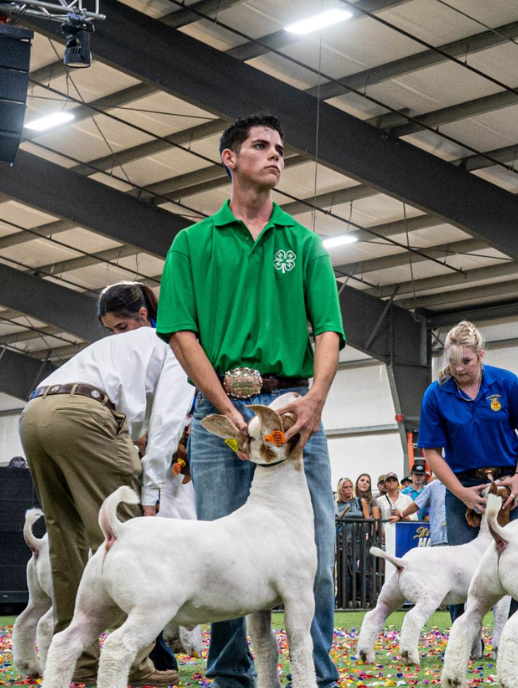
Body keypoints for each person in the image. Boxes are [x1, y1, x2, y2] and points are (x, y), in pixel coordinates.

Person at [158, 112, 344, 688]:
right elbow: (182, 334)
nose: (275, 155)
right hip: (218, 408)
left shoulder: (304, 242)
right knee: (222, 552)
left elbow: (329, 330)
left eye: (280, 148)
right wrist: (228, 411)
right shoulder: (192, 242)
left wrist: (314, 399)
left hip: (291, 408)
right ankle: (231, 677)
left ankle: (316, 676)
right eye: (260, 146)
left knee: (316, 552)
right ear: (229, 158)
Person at [20, 280, 193, 687]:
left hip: (34, 412)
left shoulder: (108, 349)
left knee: (65, 538)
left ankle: (78, 661)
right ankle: (134, 665)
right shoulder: (172, 344)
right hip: (85, 414)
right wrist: (150, 493)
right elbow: (167, 424)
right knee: (128, 535)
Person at [416, 321, 518, 660]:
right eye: (452, 361)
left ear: (481, 356)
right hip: (463, 487)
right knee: (464, 567)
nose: (458, 369)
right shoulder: (436, 393)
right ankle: (467, 642)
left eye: (467, 362)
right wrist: (459, 492)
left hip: (509, 484)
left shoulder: (507, 383)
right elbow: (431, 452)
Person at [396, 477, 448, 545]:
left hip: (458, 539)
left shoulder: (462, 486)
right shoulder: (433, 486)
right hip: (438, 538)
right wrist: (400, 516)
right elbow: (416, 505)